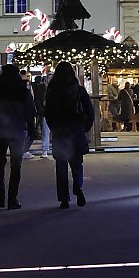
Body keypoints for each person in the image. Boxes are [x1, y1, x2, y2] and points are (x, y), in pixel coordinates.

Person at [0, 64, 36, 209]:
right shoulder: (23, 92)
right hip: (18, 132)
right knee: (16, 166)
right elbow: (30, 113)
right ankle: (12, 199)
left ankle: (0, 196)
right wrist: (32, 131)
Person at [44, 61, 95, 209]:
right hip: (76, 130)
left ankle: (64, 199)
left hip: (60, 132)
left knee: (61, 167)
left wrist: (53, 127)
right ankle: (78, 186)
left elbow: (48, 113)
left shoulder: (52, 91)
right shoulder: (79, 90)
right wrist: (84, 127)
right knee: (77, 164)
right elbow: (89, 112)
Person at [32, 75, 50, 158]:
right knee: (46, 130)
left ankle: (45, 150)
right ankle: (45, 149)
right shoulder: (44, 88)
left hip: (44, 112)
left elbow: (38, 100)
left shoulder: (39, 88)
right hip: (47, 112)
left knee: (45, 131)